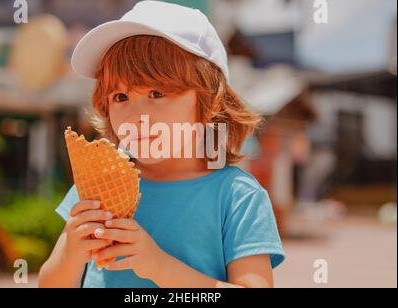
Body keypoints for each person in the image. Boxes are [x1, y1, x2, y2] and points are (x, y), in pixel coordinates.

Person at [39, 0, 284, 288]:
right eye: (120, 97)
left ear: (209, 104)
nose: (137, 115)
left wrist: (160, 268)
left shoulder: (237, 196)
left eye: (156, 93)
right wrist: (70, 250)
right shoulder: (95, 187)